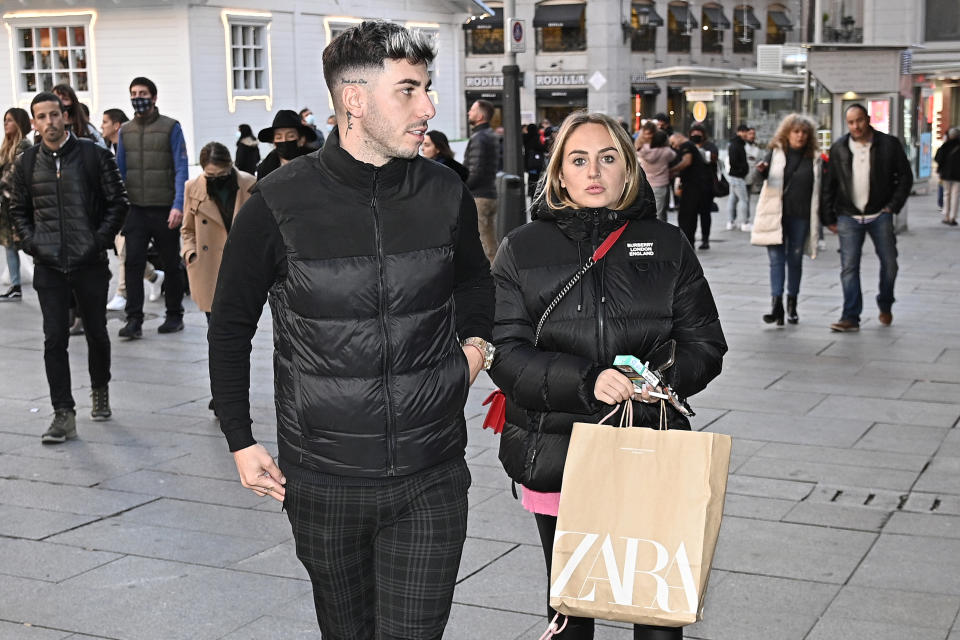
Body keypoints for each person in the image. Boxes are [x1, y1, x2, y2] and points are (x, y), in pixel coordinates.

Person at [208, 20, 494, 638]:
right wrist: (240, 436)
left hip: (432, 472)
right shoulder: (277, 201)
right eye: (409, 90)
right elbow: (230, 323)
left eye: (427, 89)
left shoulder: (445, 189)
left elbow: (476, 281)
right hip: (323, 482)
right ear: (355, 102)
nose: (429, 106)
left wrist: (473, 351)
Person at [489, 111, 726, 640]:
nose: (593, 171)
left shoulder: (667, 244)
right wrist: (586, 380)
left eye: (607, 157)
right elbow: (504, 353)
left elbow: (706, 344)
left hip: (650, 447)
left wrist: (655, 379)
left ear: (629, 169)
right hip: (556, 453)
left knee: (658, 613)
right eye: (578, 159)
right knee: (572, 609)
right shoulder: (522, 248)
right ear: (559, 174)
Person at [8, 92, 128, 443]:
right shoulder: (27, 163)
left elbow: (118, 203)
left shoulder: (94, 155)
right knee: (53, 338)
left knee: (96, 332)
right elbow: (18, 210)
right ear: (34, 123)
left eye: (54, 115)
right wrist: (34, 244)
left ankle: (99, 390)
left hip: (88, 262)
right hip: (48, 266)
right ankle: (63, 413)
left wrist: (96, 241)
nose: (49, 122)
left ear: (66, 116)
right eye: (41, 117)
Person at [822, 103, 912, 332]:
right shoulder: (839, 148)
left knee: (890, 263)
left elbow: (905, 177)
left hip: (880, 213)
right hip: (848, 215)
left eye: (859, 120)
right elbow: (829, 185)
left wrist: (892, 207)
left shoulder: (888, 144)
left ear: (868, 119)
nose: (856, 126)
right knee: (849, 267)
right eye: (851, 122)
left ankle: (885, 302)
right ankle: (850, 316)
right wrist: (828, 216)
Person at [116, 76, 189, 338]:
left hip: (164, 208)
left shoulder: (171, 127)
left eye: (143, 92)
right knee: (132, 264)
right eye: (134, 92)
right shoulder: (125, 130)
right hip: (135, 209)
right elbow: (119, 171)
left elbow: (181, 168)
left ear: (154, 97)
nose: (138, 97)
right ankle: (134, 319)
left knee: (171, 263)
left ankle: (174, 314)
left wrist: (178, 205)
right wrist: (120, 208)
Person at [750, 114, 821, 326]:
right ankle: (776, 305)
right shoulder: (775, 153)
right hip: (775, 215)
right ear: (787, 133)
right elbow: (756, 181)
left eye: (804, 132)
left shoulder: (814, 158)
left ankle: (792, 304)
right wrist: (760, 172)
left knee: (795, 259)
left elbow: (820, 189)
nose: (800, 136)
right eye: (796, 131)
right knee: (776, 261)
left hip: (800, 216)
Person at [181, 141, 255, 318]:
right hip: (208, 266)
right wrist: (190, 253)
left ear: (230, 165)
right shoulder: (192, 187)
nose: (217, 179)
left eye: (222, 174)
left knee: (242, 322)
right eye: (210, 175)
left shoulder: (249, 184)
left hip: (242, 265)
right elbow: (187, 229)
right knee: (215, 326)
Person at [101, 108, 161, 313]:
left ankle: (122, 292)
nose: (102, 126)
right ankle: (154, 276)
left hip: (132, 206)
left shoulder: (127, 145)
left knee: (125, 251)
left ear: (117, 125)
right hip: (116, 206)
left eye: (105, 122)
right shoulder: (108, 146)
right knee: (124, 252)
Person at [0, 107, 32, 301]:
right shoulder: (7, 146)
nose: (5, 123)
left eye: (10, 120)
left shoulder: (23, 146)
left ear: (19, 123)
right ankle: (15, 285)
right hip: (6, 205)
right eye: (4, 120)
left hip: (19, 205)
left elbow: (13, 175)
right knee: (9, 245)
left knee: (27, 243)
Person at [464, 98, 500, 262]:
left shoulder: (479, 137)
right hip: (488, 194)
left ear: (480, 116)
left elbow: (475, 172)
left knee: (486, 244)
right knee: (490, 241)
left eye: (472, 110)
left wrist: (463, 188)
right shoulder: (489, 135)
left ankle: (497, 280)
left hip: (480, 197)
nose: (468, 112)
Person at [669, 131, 713, 249]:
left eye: (673, 143)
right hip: (700, 185)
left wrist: (672, 170)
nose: (673, 146)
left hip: (693, 186)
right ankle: (695, 240)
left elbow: (686, 161)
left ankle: (688, 242)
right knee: (696, 214)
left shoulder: (686, 146)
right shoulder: (690, 145)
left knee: (687, 215)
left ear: (678, 138)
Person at [254, 110, 316, 180]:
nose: (284, 140)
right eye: (278, 137)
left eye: (291, 136)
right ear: (274, 142)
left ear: (301, 140)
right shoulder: (265, 169)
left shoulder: (315, 165)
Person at [635, 121, 675, 222]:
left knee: (646, 211)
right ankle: (661, 234)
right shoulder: (666, 152)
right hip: (661, 184)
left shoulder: (641, 150)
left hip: (645, 184)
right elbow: (673, 156)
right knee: (660, 212)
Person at [689, 123, 718, 249]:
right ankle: (691, 240)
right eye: (693, 133)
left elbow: (713, 159)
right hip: (691, 184)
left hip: (706, 184)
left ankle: (705, 239)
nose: (695, 135)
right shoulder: (688, 145)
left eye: (698, 133)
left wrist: (699, 150)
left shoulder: (710, 146)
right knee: (692, 214)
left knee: (705, 213)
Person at [52, 84, 107, 149]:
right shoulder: (48, 128)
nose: (60, 103)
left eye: (65, 99)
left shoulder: (87, 129)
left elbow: (102, 150)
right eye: (56, 99)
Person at [727, 123, 752, 231]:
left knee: (733, 199)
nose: (747, 134)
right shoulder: (736, 144)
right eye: (746, 132)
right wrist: (742, 169)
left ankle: (731, 221)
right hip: (737, 176)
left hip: (735, 176)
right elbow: (734, 161)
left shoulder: (737, 143)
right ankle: (745, 222)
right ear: (741, 132)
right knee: (744, 199)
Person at [934, 127, 960, 226]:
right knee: (955, 196)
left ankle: (946, 216)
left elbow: (938, 158)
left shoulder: (945, 145)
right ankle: (953, 217)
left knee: (946, 194)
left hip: (946, 175)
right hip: (958, 176)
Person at [523, 123, 547, 199]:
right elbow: (541, 147)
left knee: (531, 177)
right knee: (536, 178)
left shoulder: (525, 137)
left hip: (529, 162)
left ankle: (530, 192)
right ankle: (534, 192)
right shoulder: (537, 137)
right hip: (536, 162)